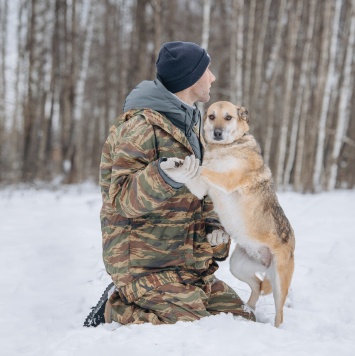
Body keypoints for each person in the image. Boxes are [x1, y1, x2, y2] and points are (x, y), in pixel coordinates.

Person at [84, 41, 255, 327]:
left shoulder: (190, 128)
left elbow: (204, 193)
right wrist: (161, 176)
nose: (212, 77)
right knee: (192, 324)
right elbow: (122, 201)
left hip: (187, 266)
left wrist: (214, 227)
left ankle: (172, 297)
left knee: (240, 321)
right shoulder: (140, 127)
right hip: (144, 266)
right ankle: (114, 308)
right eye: (207, 70)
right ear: (190, 78)